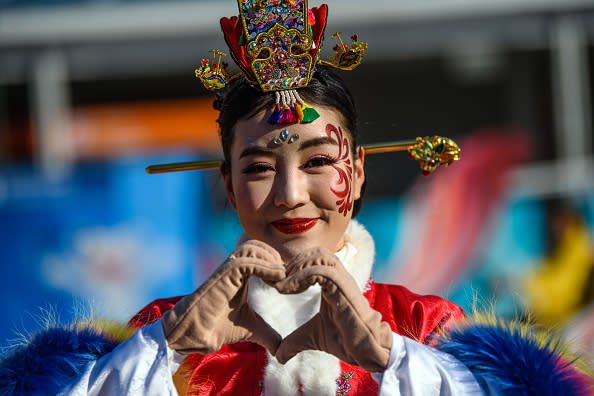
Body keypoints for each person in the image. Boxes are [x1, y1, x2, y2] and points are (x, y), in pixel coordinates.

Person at [1, 1, 591, 395]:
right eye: (258, 167)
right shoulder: (163, 334)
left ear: (357, 175)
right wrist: (170, 347)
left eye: (317, 162)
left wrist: (390, 360)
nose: (290, 196)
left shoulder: (426, 328)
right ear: (228, 186)